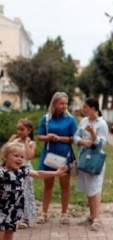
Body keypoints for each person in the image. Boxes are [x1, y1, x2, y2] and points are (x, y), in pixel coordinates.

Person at [0, 142, 67, 240]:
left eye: (22, 157)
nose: (19, 159)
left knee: (9, 237)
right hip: (1, 210)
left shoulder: (22, 170)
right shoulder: (1, 173)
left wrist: (56, 173)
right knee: (1, 235)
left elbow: (38, 173)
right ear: (5, 156)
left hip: (13, 211)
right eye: (15, 155)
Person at [36, 92, 78, 225]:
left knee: (65, 186)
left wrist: (60, 138)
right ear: (54, 103)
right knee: (48, 185)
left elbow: (75, 138)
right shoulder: (46, 119)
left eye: (66, 103)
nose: (64, 106)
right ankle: (44, 213)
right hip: (49, 157)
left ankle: (64, 213)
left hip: (65, 157)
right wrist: (48, 137)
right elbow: (39, 136)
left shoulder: (70, 120)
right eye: (61, 103)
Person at [73, 98, 109, 231]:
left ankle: (97, 219)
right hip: (84, 158)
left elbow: (102, 144)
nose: (83, 109)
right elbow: (75, 136)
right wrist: (82, 142)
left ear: (94, 108)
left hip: (95, 159)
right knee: (89, 188)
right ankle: (91, 216)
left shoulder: (102, 124)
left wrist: (93, 134)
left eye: (86, 107)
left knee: (95, 188)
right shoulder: (83, 121)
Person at [8, 119, 37, 228]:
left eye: (22, 129)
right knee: (14, 193)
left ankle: (26, 218)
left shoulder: (31, 143)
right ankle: (13, 216)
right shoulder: (14, 141)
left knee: (26, 194)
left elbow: (29, 156)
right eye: (18, 129)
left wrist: (25, 143)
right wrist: (10, 141)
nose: (19, 131)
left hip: (25, 171)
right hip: (13, 170)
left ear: (29, 130)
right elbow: (5, 152)